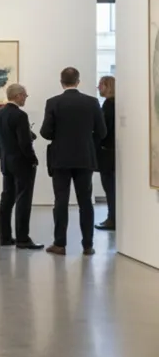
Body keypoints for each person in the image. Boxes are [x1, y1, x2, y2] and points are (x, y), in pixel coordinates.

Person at [39, 67, 106, 255]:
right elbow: (102, 132)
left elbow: (45, 132)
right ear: (78, 81)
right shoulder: (92, 103)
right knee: (85, 201)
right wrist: (87, 142)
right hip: (85, 157)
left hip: (60, 158)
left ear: (61, 82)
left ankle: (59, 243)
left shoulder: (53, 103)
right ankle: (88, 245)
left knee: (61, 201)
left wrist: (59, 136)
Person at [0, 83, 43, 250]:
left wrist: (4, 157)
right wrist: (33, 159)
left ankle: (5, 237)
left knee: (6, 199)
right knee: (23, 200)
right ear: (18, 95)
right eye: (25, 95)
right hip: (22, 164)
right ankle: (22, 238)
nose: (26, 98)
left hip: (7, 163)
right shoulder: (20, 116)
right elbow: (24, 143)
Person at [95, 76, 116, 231]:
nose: (98, 87)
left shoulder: (108, 105)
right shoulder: (117, 103)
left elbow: (103, 131)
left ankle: (112, 219)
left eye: (100, 85)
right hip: (114, 151)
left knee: (109, 188)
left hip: (107, 153)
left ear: (107, 86)